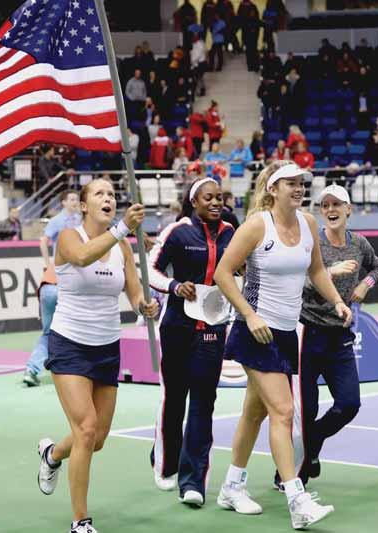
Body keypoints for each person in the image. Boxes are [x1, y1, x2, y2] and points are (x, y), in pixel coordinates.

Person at [213, 161, 352, 529]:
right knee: (284, 411)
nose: (298, 188)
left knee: (254, 413)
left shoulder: (308, 224)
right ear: (273, 189)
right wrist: (250, 314)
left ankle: (231, 486)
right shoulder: (257, 226)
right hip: (254, 330)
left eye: (301, 183)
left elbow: (317, 270)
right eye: (290, 183)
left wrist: (336, 300)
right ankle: (296, 499)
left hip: (287, 332)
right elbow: (222, 274)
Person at [37, 178, 158, 533]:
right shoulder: (70, 237)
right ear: (85, 205)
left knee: (97, 438)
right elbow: (83, 257)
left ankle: (53, 455)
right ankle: (80, 521)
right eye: (100, 194)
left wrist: (145, 306)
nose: (108, 198)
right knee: (86, 429)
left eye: (111, 194)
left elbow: (135, 293)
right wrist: (123, 229)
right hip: (69, 343)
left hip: (106, 348)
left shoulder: (122, 250)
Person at [284, 184, 378, 488]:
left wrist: (365, 283)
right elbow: (295, 282)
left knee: (349, 404)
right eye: (325, 205)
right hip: (306, 335)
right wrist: (331, 273)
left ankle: (309, 445)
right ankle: (289, 474)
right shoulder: (311, 243)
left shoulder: (360, 244)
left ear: (349, 209)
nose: (330, 210)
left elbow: (377, 268)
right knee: (307, 409)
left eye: (337, 204)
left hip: (340, 337)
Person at [148, 178, 235, 506]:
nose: (216, 203)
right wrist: (173, 285)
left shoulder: (231, 233)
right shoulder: (178, 231)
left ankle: (193, 481)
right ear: (194, 201)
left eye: (220, 198)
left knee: (203, 402)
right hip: (176, 327)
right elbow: (149, 269)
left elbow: (241, 271)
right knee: (174, 398)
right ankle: (166, 462)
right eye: (208, 198)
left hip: (213, 330)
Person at [22, 190, 81, 387]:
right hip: (65, 282)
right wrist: (49, 263)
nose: (74, 202)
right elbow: (43, 241)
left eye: (76, 199)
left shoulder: (79, 221)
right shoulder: (60, 221)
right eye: (71, 199)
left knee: (49, 333)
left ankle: (32, 369)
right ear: (63, 202)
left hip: (50, 285)